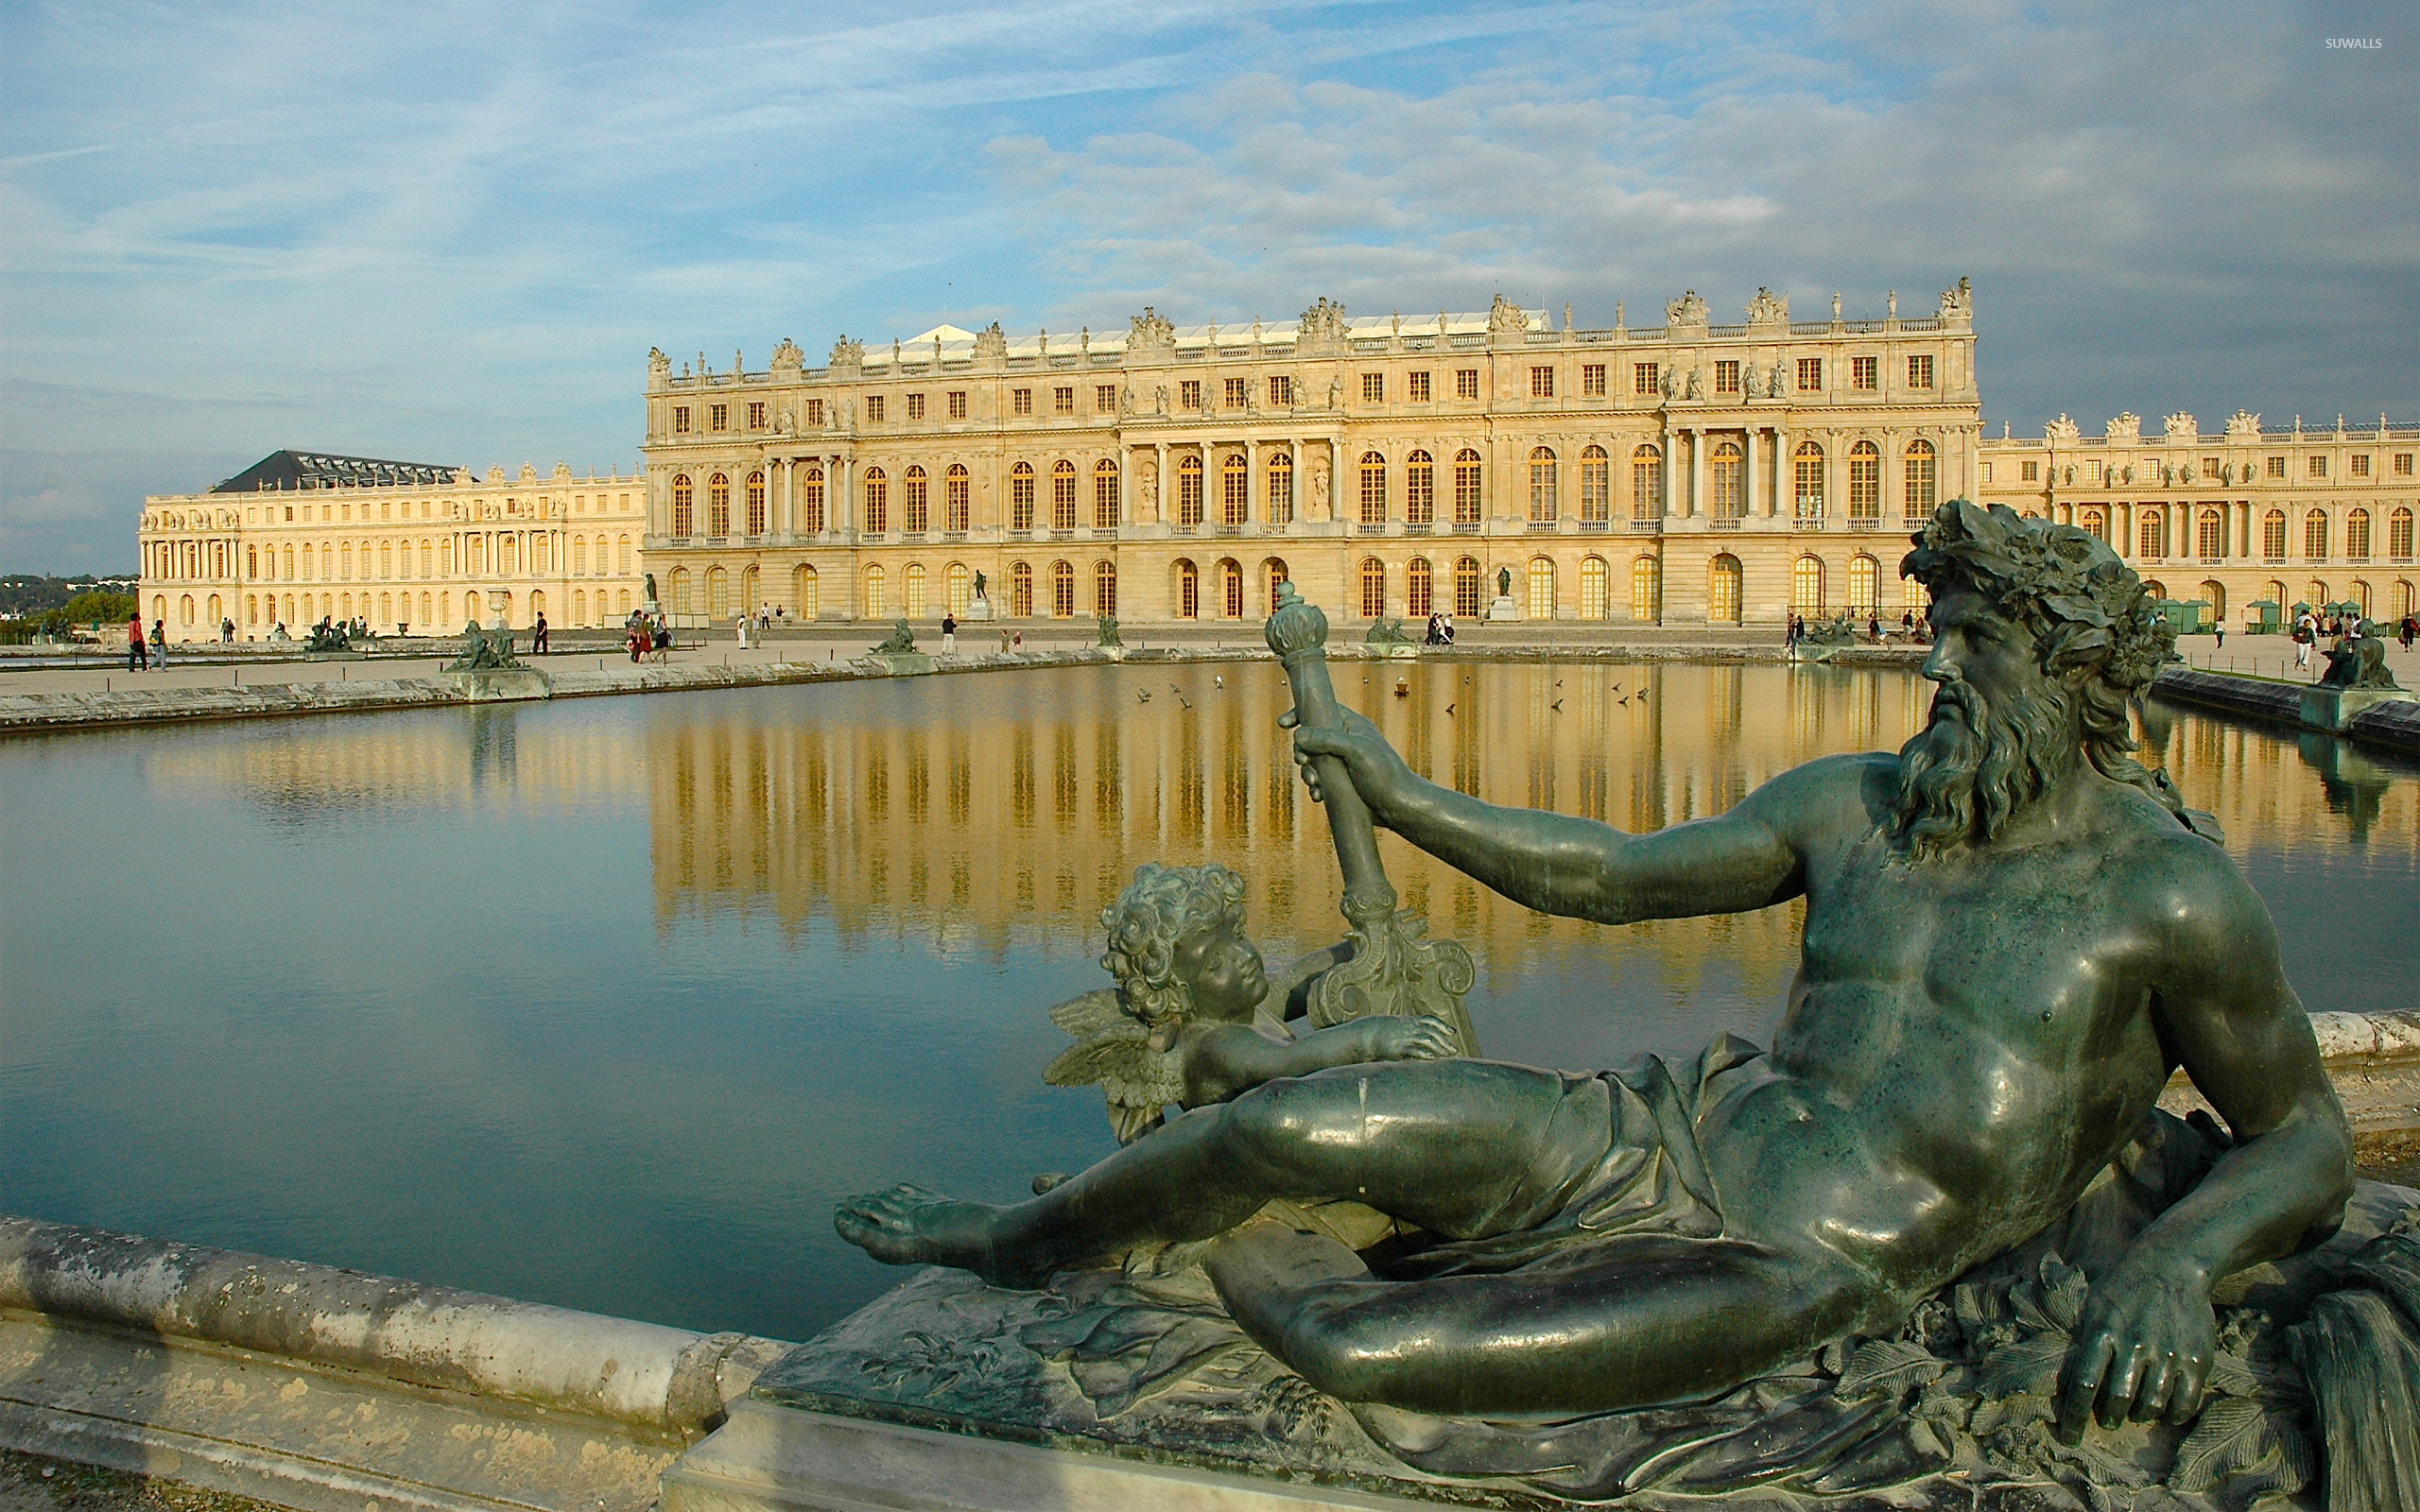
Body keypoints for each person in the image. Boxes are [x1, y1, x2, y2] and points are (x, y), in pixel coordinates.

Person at [838, 501, 2352, 1434]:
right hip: (1663, 1129)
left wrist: (2169, 1263)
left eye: (1972, 646)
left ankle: (1274, 1254)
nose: (1933, 665)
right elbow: (1611, 876)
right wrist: (1397, 781)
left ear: (2068, 674)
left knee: (1374, 1356)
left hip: (1807, 1265)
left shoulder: (2168, 898)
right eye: (1937, 633)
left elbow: (2305, 1137)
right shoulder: (1860, 804)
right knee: (1279, 1128)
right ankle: (1010, 1241)